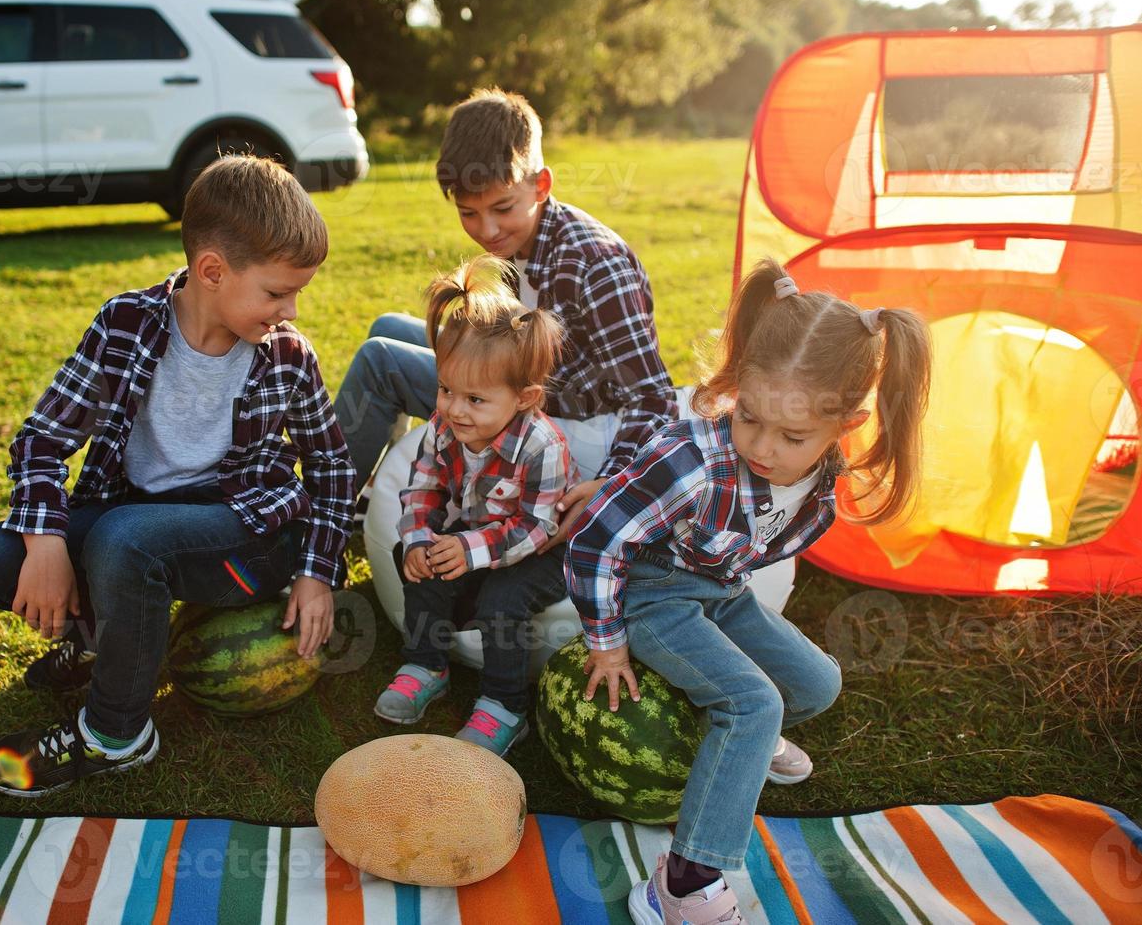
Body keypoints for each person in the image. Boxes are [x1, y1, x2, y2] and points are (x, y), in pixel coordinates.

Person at [0, 155, 354, 796]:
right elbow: (42, 440)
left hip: (247, 541)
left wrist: (316, 573)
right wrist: (46, 543)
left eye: (297, 292)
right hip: (140, 521)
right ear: (212, 271)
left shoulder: (286, 356)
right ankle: (101, 642)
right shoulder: (125, 327)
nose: (294, 310)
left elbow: (331, 464)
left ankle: (117, 735)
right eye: (278, 292)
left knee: (124, 539)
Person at [565, 259, 932, 925]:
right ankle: (681, 881)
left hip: (717, 592)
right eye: (749, 419)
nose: (761, 447)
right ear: (739, 388)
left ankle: (736, 752)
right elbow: (594, 542)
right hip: (649, 597)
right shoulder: (690, 458)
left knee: (817, 684)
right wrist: (606, 642)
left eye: (791, 436)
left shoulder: (822, 475)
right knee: (754, 701)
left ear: (844, 423)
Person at [335, 87, 676, 541]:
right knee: (387, 328)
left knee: (382, 361)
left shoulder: (596, 263)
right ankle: (371, 500)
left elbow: (654, 397)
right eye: (468, 213)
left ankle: (323, 524)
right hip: (513, 372)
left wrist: (608, 487)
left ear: (541, 185)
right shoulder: (518, 240)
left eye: (501, 208)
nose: (487, 230)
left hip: (564, 413)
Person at [374, 256, 575, 756]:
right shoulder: (446, 429)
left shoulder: (541, 446)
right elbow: (422, 488)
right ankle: (425, 663)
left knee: (502, 601)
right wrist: (421, 539)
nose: (453, 409)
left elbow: (538, 526)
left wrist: (471, 547)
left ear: (524, 397)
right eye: (445, 390)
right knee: (418, 561)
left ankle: (505, 705)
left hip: (545, 549)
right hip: (480, 534)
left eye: (474, 399)